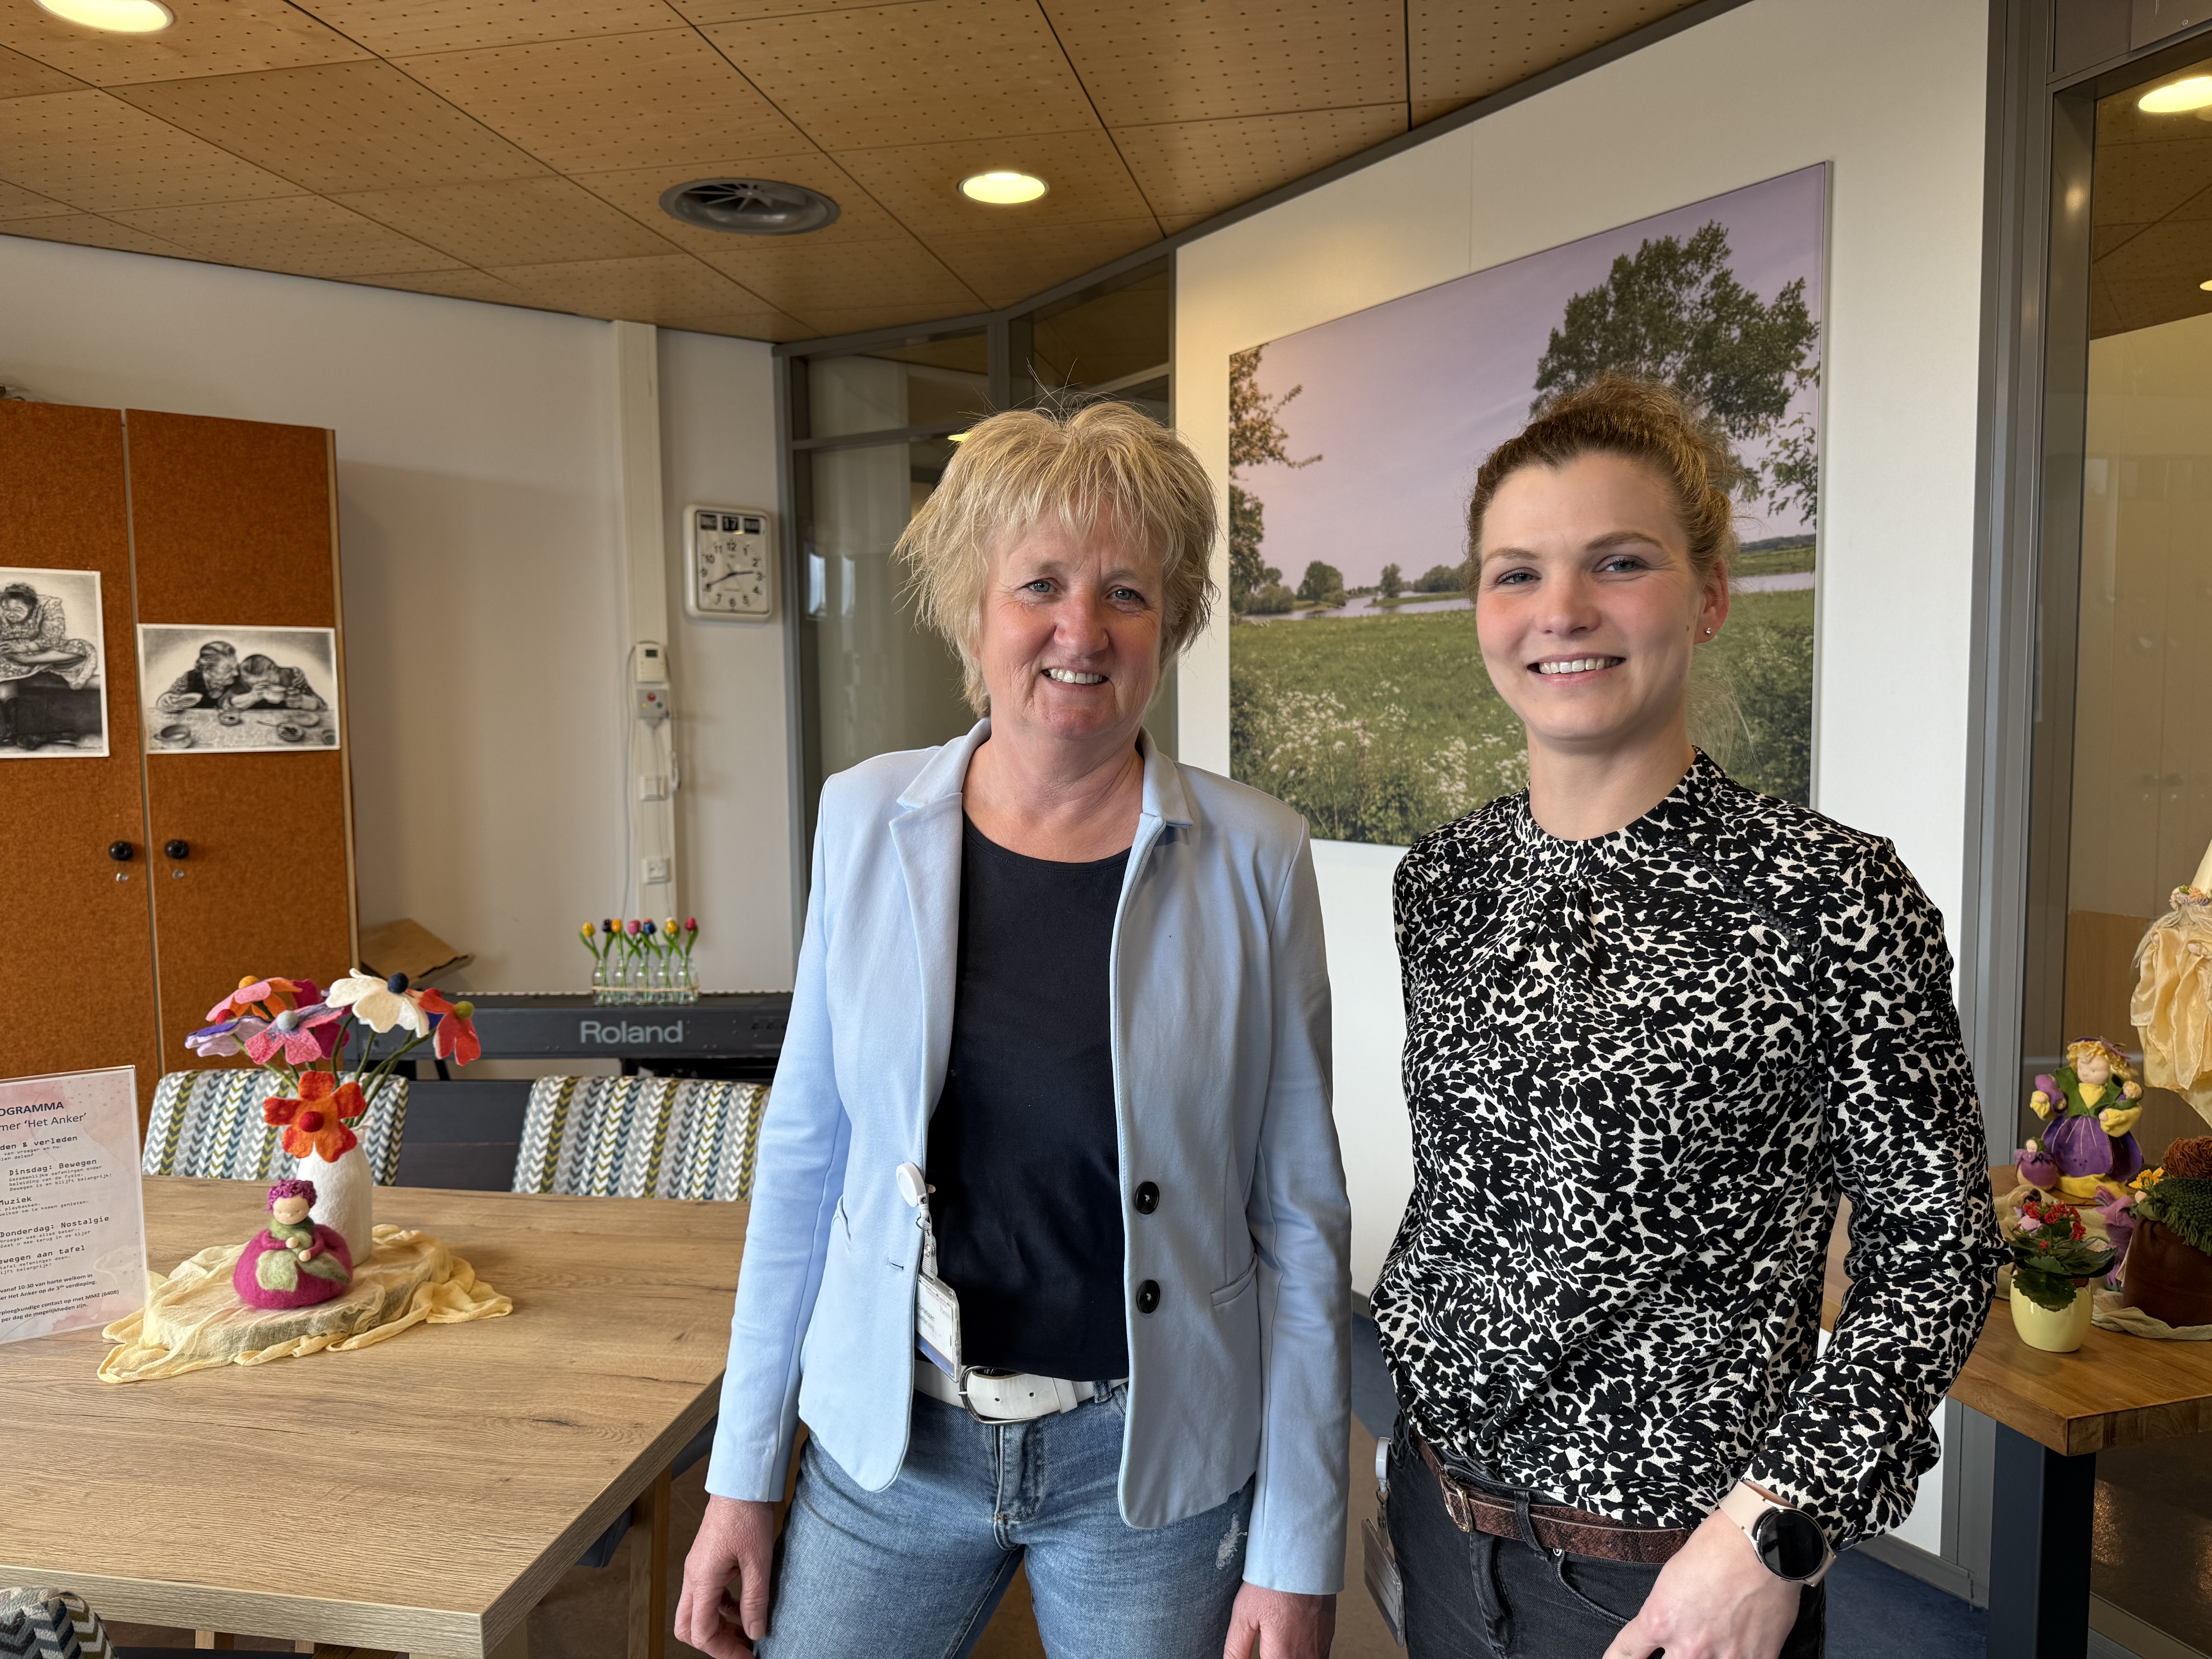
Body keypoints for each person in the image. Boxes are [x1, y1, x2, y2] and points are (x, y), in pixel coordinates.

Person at [677, 401, 1352, 1659]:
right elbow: (805, 1163)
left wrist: (1300, 1548)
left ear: (1171, 623)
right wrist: (742, 1473)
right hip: (893, 1440)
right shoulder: (864, 817)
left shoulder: (1257, 855)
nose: (1081, 630)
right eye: (1040, 584)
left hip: (1149, 1463)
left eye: (1127, 593)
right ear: (973, 610)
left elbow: (1301, 1221)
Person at [1372, 377, 2004, 1659]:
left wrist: (1779, 1524)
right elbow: (1464, 1202)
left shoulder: (1829, 893)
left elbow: (1935, 1247)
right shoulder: (1443, 879)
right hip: (1437, 1519)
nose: (1562, 609)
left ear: (1709, 596)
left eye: (1619, 562)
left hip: (1667, 1576)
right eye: (1516, 573)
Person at [0, 581, 98, 745]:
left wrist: (25, 652)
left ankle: (28, 662)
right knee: (4, 679)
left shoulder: (49, 606)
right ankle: (12, 731)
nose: (11, 614)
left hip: (45, 653)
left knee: (82, 648)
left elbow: (51, 640)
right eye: (7, 609)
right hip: (10, 656)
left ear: (31, 606)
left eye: (18, 610)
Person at [155, 641, 242, 712]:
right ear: (207, 669)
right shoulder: (190, 678)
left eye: (237, 667)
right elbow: (171, 696)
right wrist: (165, 700)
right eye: (229, 670)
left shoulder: (242, 677)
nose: (236, 673)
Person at [227, 653, 326, 713]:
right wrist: (250, 697)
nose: (261, 686)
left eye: (266, 682)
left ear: (275, 670)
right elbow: (225, 703)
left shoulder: (292, 676)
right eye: (254, 684)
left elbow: (321, 706)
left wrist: (302, 701)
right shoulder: (243, 679)